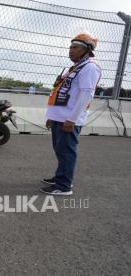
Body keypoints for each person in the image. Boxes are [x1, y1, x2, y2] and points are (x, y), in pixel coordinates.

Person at [41, 33, 101, 195]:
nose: (71, 51)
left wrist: (72, 119)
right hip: (59, 117)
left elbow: (85, 94)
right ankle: (61, 177)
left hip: (68, 119)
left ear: (87, 50)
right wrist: (51, 117)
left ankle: (64, 186)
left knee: (66, 152)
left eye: (75, 48)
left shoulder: (90, 67)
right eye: (70, 47)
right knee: (61, 151)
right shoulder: (76, 67)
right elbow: (61, 93)